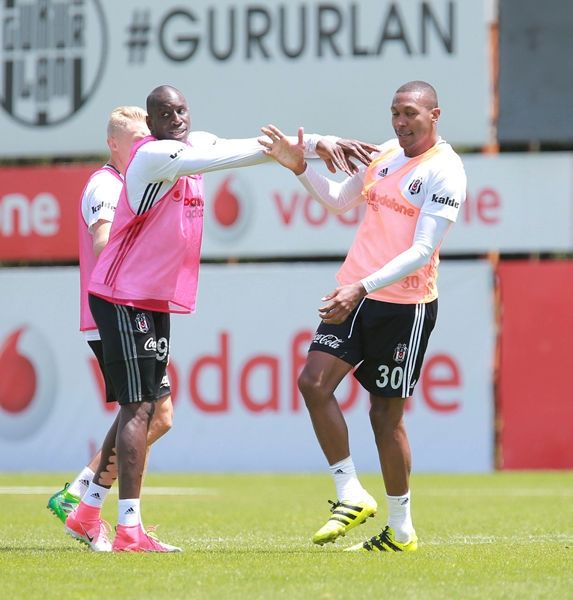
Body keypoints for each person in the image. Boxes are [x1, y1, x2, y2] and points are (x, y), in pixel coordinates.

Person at [66, 84, 375, 553]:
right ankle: (128, 529)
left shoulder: (195, 144)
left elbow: (251, 145)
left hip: (149, 297)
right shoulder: (155, 156)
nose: (176, 119)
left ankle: (89, 510)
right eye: (165, 114)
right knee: (139, 409)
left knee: (150, 410)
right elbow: (236, 156)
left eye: (181, 110)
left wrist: (319, 142)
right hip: (121, 295)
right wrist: (300, 149)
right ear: (151, 124)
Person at [260, 80, 467, 552]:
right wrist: (299, 168)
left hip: (405, 307)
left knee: (384, 416)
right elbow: (338, 199)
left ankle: (401, 529)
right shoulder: (386, 153)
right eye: (395, 112)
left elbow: (423, 250)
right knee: (313, 383)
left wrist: (362, 287)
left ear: (435, 116)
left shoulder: (446, 171)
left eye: (410, 113)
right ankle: (350, 491)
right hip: (355, 293)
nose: (400, 122)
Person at [47, 107, 175, 548]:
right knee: (143, 411)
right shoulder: (107, 185)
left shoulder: (133, 182)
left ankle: (84, 501)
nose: (143, 145)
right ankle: (91, 505)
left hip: (132, 307)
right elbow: (104, 242)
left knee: (154, 414)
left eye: (147, 138)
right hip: (115, 312)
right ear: (113, 144)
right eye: (135, 138)